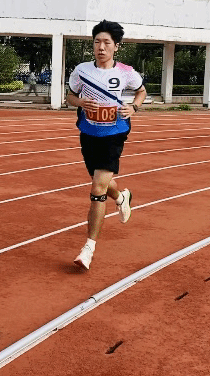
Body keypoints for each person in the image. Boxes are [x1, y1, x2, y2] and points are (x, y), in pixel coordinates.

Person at [66, 20, 147, 270]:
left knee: (97, 189)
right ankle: (122, 197)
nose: (101, 47)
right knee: (99, 180)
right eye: (97, 42)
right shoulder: (81, 71)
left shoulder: (125, 72)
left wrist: (133, 107)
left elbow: (141, 91)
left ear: (116, 46)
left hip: (114, 132)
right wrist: (81, 103)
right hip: (89, 132)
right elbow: (70, 96)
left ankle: (88, 248)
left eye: (106, 43)